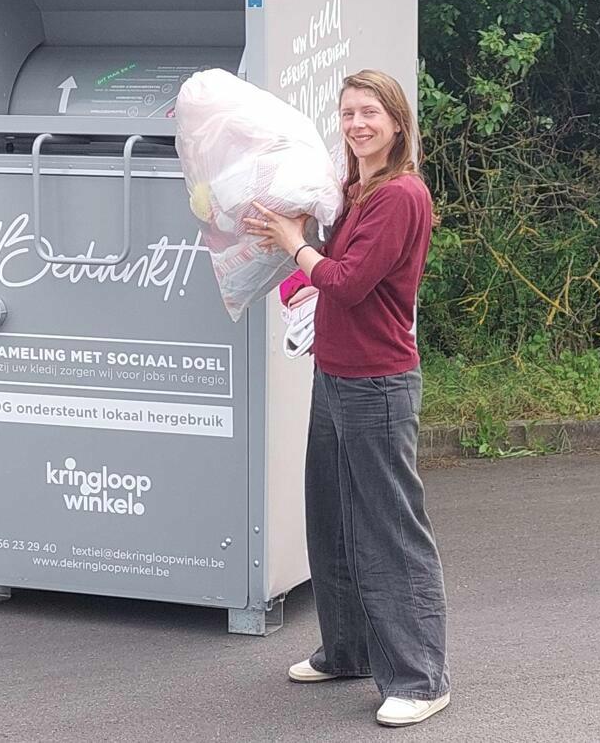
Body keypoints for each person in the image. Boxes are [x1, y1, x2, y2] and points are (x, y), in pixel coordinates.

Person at [244, 69, 449, 728]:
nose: (357, 124)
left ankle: (420, 676)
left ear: (396, 123)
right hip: (335, 373)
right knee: (331, 519)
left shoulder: (400, 196)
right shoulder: (356, 190)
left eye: (371, 113)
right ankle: (348, 650)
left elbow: (349, 281)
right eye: (349, 112)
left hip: (379, 383)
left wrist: (293, 244)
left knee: (388, 527)